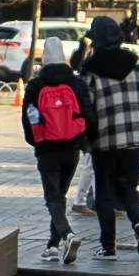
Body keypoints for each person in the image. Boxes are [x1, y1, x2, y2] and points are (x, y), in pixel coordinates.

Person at [79, 14, 139, 260]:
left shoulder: (90, 68)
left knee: (105, 193)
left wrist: (85, 137)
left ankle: (108, 246)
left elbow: (85, 105)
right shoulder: (138, 63)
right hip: (136, 138)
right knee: (129, 187)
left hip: (105, 140)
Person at [18, 41, 91, 258]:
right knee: (60, 194)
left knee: (53, 196)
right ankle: (53, 245)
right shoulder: (76, 83)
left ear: (44, 60)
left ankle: (67, 235)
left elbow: (27, 116)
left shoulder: (35, 85)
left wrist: (35, 140)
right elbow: (87, 113)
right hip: (71, 147)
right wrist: (84, 141)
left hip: (46, 147)